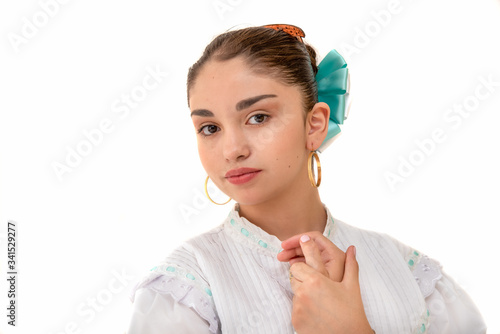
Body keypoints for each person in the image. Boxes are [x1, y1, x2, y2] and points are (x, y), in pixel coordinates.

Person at [126, 24, 486, 333]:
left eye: (258, 117)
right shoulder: (189, 285)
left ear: (314, 124)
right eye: (209, 127)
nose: (231, 149)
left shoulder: (407, 271)